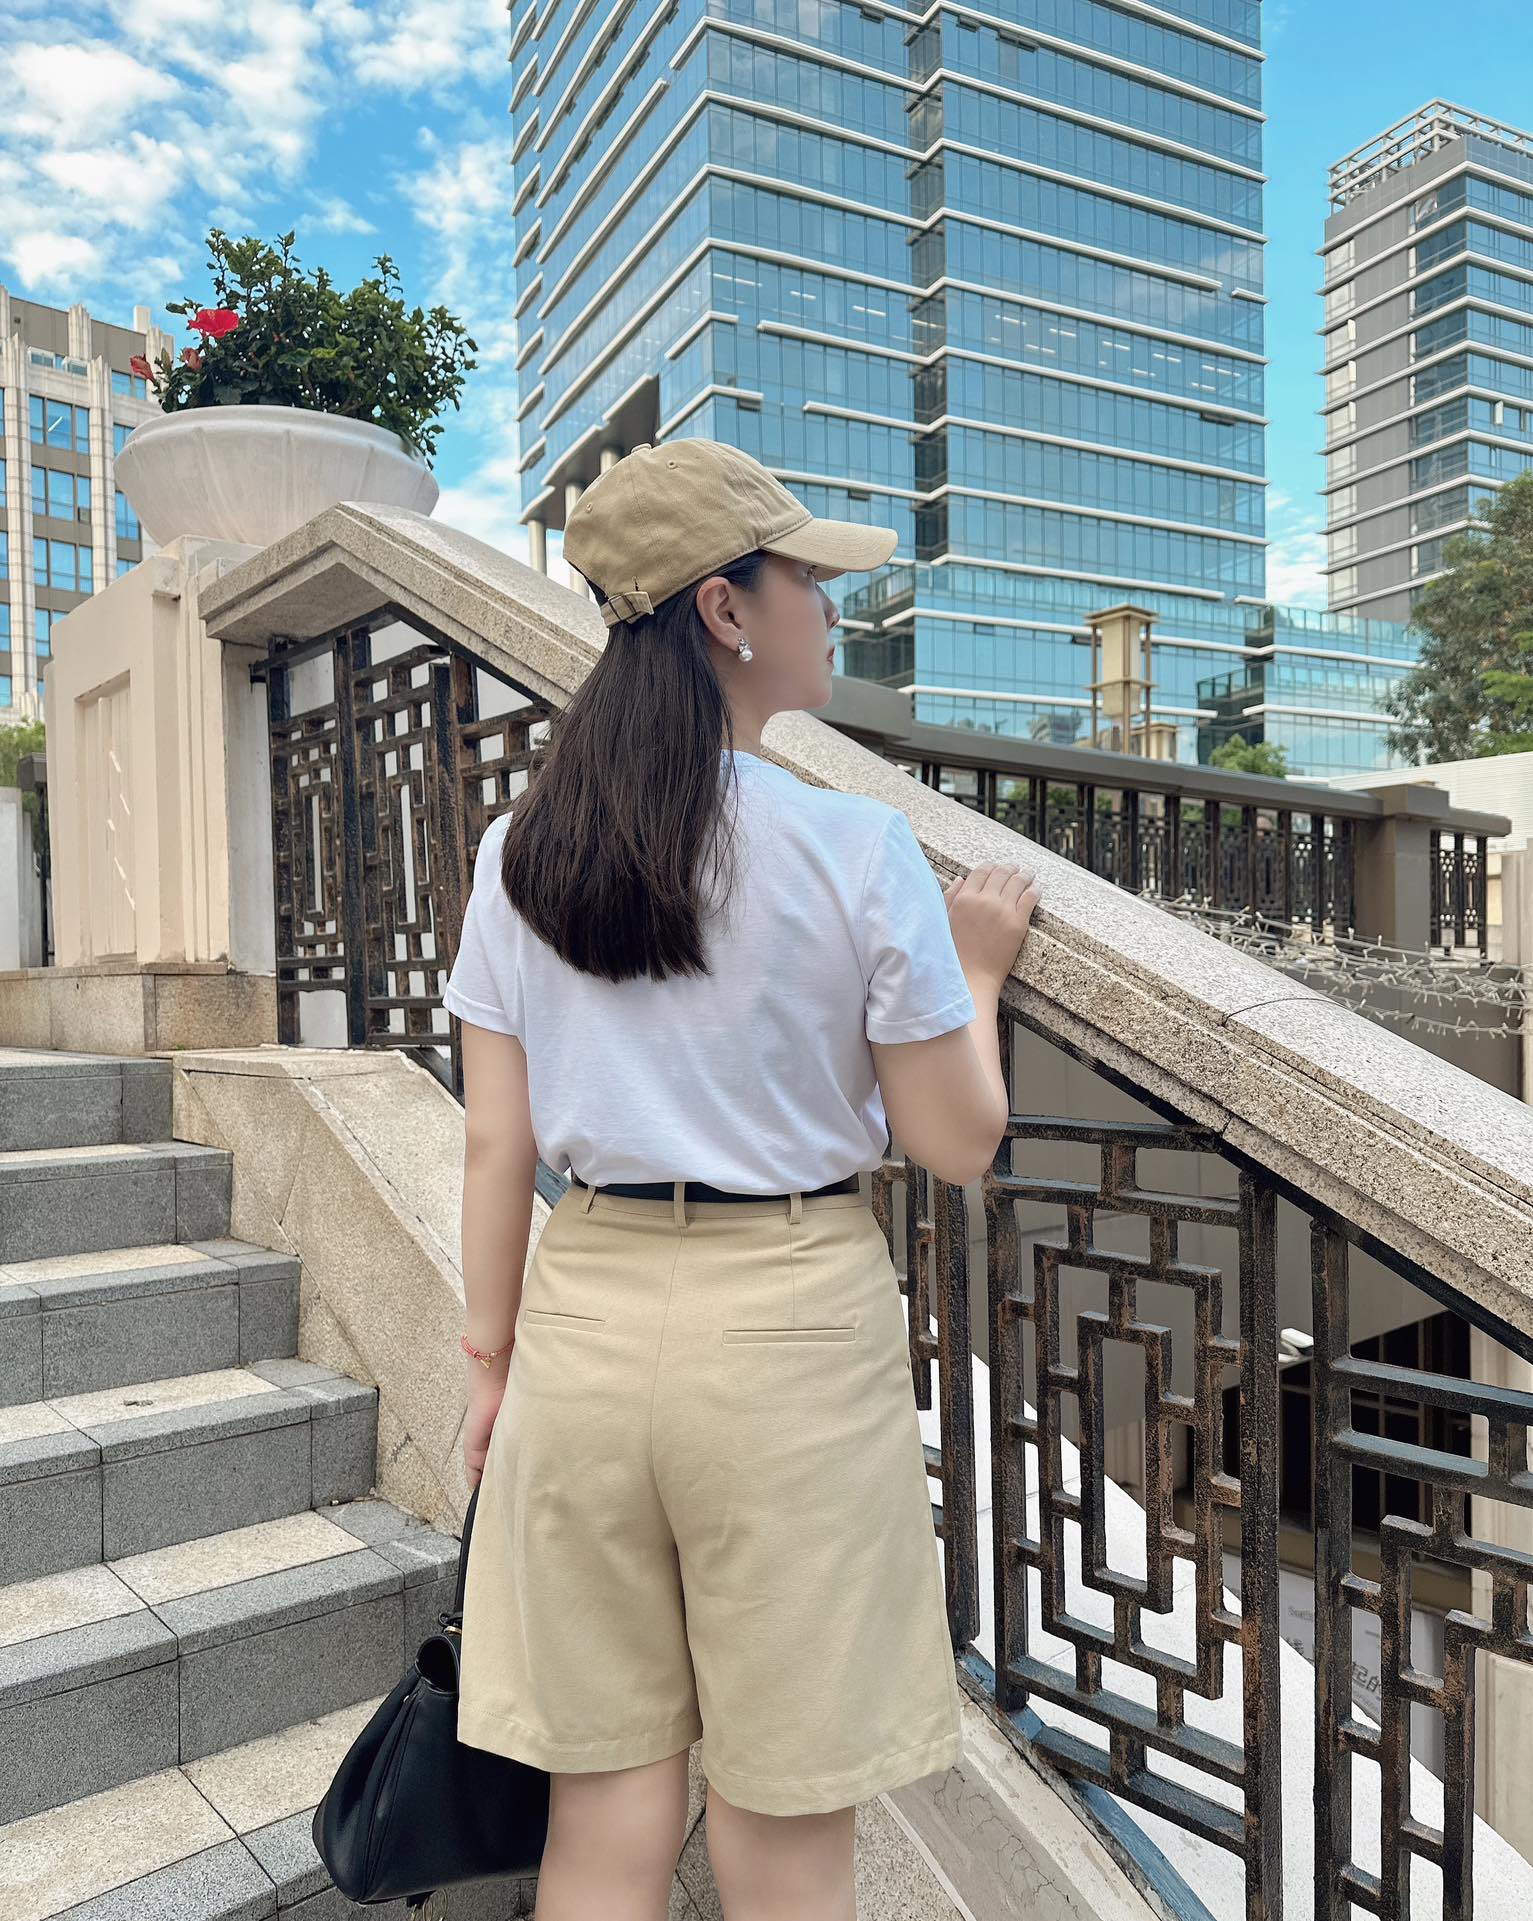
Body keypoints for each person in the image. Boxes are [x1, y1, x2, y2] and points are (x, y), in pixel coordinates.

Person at [442, 439, 1040, 1921]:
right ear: (725, 609)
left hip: (583, 1326)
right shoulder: (853, 847)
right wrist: (974, 970)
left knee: (603, 1809)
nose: (830, 606)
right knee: (780, 1821)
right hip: (787, 1334)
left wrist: (491, 1367)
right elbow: (955, 1140)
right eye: (807, 579)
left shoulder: (522, 852)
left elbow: (495, 1143)